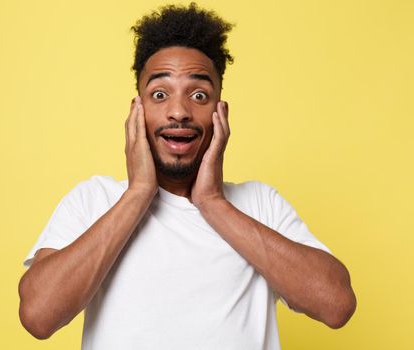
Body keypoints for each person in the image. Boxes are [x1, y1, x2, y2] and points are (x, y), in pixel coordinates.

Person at [18, 3, 356, 349]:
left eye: (199, 95)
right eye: (160, 95)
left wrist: (212, 203)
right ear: (137, 111)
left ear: (220, 112)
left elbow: (336, 304)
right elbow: (39, 315)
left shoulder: (260, 203)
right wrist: (138, 194)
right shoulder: (94, 200)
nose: (179, 112)